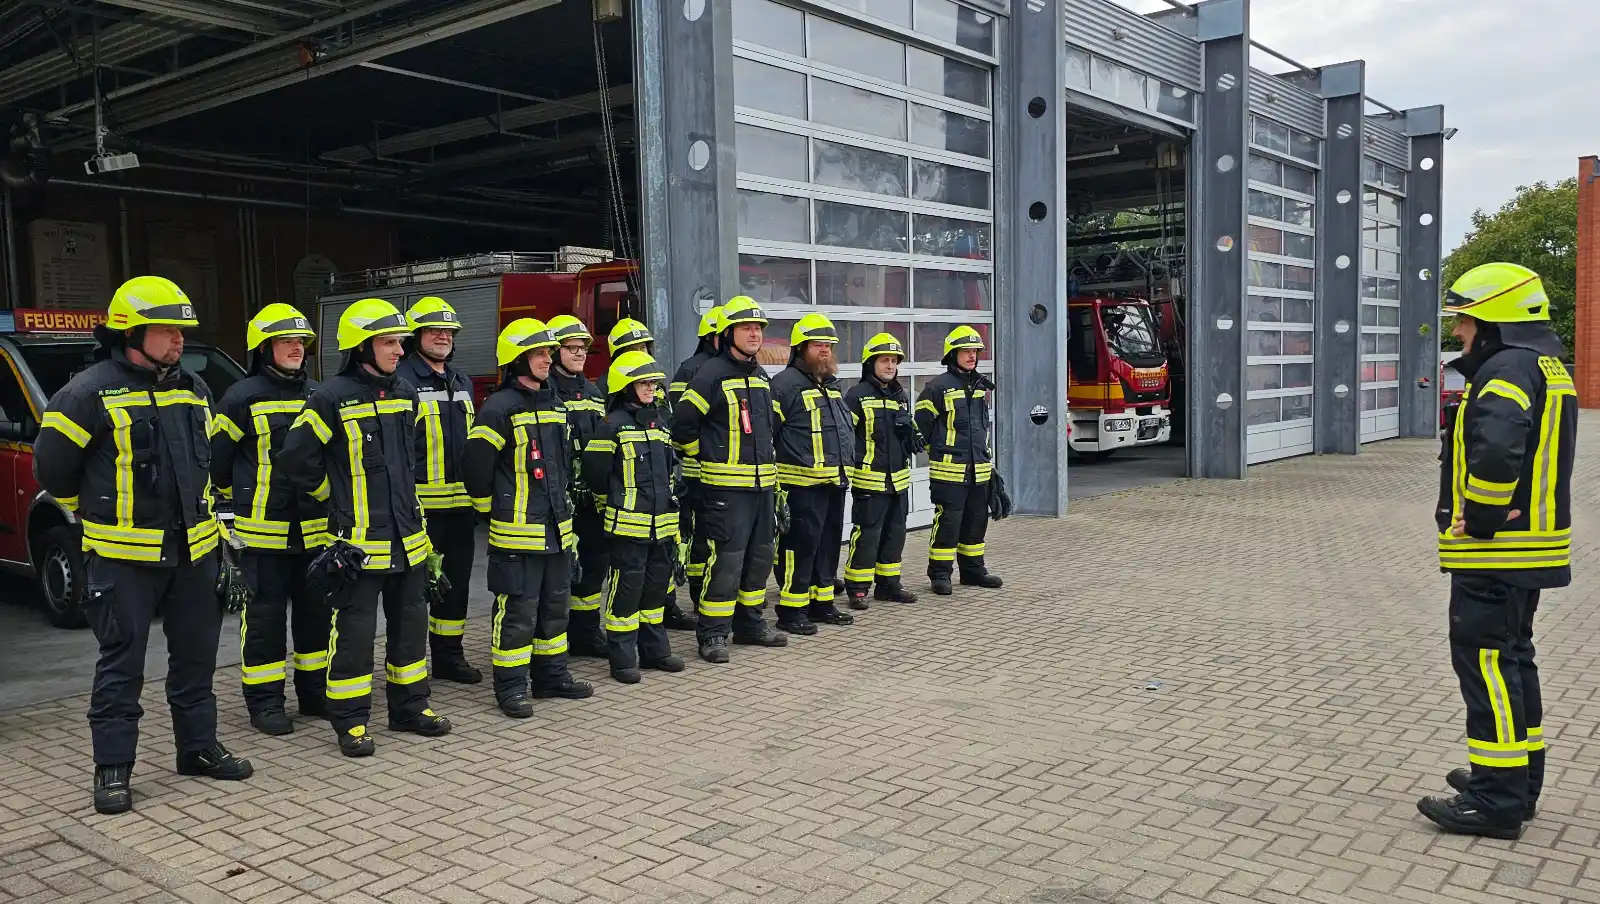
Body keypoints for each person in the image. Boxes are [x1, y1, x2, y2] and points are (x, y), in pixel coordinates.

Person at [34, 275, 252, 814]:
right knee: (122, 663)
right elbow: (55, 473)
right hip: (123, 559)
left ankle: (197, 748)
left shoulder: (194, 389)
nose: (180, 340)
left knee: (197, 658)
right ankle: (112, 768)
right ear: (130, 331)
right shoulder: (85, 393)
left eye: (182, 331)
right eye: (167, 330)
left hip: (195, 553)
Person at [1417, 262, 1576, 840]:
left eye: (1464, 317)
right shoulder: (1544, 365)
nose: (1459, 329)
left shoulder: (1506, 368)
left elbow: (1497, 446)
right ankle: (1515, 781)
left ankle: (1495, 802)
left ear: (1492, 318)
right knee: (1514, 661)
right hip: (1530, 548)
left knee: (1488, 669)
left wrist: (1480, 519)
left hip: (1498, 551)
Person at [279, 298, 451, 756]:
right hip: (357, 543)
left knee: (411, 626)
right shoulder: (329, 397)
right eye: (389, 342)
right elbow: (295, 458)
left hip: (409, 539)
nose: (399, 350)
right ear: (360, 347)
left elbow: (409, 460)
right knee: (354, 635)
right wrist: (331, 498)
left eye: (400, 342)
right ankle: (351, 721)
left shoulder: (405, 395)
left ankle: (411, 707)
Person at [463, 319, 594, 717]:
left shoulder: (553, 402)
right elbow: (475, 468)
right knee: (518, 611)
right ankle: (511, 687)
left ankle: (551, 676)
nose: (546, 360)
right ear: (517, 359)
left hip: (555, 529)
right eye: (538, 354)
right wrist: (491, 510)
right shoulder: (499, 408)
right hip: (517, 530)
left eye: (548, 353)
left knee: (556, 607)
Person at [209, 303, 329, 736]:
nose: (296, 348)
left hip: (314, 530)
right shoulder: (241, 397)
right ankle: (265, 702)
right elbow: (216, 464)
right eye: (286, 342)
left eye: (301, 342)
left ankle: (314, 694)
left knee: (317, 618)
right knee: (264, 621)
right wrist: (232, 514)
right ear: (263, 349)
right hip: (262, 534)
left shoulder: (318, 394)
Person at [671, 296, 788, 662]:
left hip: (761, 487)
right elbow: (681, 426)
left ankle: (750, 624)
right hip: (725, 489)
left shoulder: (759, 375)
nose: (755, 334)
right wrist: (705, 456)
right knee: (725, 562)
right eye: (746, 328)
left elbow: (772, 424)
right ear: (727, 334)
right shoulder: (710, 374)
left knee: (759, 558)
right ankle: (713, 634)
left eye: (758, 328)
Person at [582, 350, 687, 682]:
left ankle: (655, 652)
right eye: (643, 383)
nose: (650, 389)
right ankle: (622, 659)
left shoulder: (660, 422)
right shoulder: (610, 426)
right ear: (625, 386)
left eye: (654, 383)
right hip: (628, 527)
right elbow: (595, 475)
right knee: (626, 593)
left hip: (663, 526)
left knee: (656, 592)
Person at [399, 297, 481, 685]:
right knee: (416, 593)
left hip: (461, 507)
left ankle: (450, 658)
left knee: (456, 586)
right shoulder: (402, 381)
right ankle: (410, 667)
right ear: (416, 336)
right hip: (420, 510)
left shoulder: (461, 381)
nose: (443, 337)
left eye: (448, 332)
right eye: (435, 331)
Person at [770, 314, 856, 635]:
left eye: (829, 346)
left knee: (829, 543)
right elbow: (767, 435)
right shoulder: (783, 385)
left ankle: (822, 603)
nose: (825, 351)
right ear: (800, 348)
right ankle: (792, 610)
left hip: (833, 482)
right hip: (800, 485)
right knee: (799, 547)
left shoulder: (831, 385)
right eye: (818, 345)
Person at [915, 325, 1011, 596]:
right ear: (952, 354)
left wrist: (988, 466)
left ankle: (973, 571)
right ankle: (940, 574)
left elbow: (981, 430)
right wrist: (941, 449)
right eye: (966, 351)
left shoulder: (979, 387)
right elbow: (921, 427)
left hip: (978, 470)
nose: (972, 356)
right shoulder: (937, 388)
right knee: (948, 523)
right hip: (949, 472)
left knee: (976, 521)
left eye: (975, 351)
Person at [543, 314, 610, 658]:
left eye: (583, 348)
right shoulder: (546, 390)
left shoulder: (594, 390)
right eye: (571, 348)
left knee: (594, 564)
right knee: (559, 571)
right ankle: (558, 635)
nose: (579, 353)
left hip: (591, 498)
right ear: (555, 352)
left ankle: (586, 633)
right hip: (559, 498)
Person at [842, 333, 920, 609]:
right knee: (867, 535)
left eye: (894, 361)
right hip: (869, 479)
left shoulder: (901, 395)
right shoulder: (856, 395)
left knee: (895, 534)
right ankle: (858, 588)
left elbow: (910, 437)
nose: (890, 366)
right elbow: (844, 436)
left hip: (898, 480)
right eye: (884, 360)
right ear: (870, 363)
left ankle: (888, 585)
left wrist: (911, 432)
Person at [665, 305, 723, 626]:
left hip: (694, 469)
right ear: (714, 337)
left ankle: (703, 598)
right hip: (703, 470)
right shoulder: (704, 371)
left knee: (699, 536)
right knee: (704, 537)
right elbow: (683, 422)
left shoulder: (687, 369)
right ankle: (704, 598)